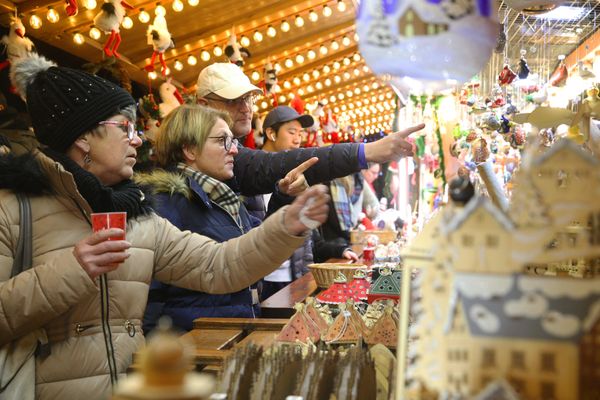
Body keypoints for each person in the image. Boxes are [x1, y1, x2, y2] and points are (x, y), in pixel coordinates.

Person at [0, 54, 330, 400]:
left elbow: (219, 265)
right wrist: (72, 270)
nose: (138, 139)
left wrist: (285, 225)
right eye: (124, 128)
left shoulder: (137, 215)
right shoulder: (14, 208)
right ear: (83, 137)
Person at [137, 105, 318, 331]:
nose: (234, 150)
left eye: (232, 141)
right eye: (222, 141)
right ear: (190, 150)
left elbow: (255, 249)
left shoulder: (224, 198)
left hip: (230, 337)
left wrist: (284, 197)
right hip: (196, 350)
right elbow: (149, 301)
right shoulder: (166, 203)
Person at [195, 63, 423, 219]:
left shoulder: (233, 152)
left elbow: (258, 234)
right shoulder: (215, 155)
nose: (246, 107)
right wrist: (367, 151)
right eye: (233, 100)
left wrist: (285, 196)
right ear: (203, 106)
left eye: (248, 98)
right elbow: (273, 165)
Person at [259, 106, 358, 299]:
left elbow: (313, 241)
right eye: (291, 132)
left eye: (300, 133)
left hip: (295, 278)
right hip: (264, 280)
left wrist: (340, 249)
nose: (298, 139)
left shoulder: (298, 179)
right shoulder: (251, 180)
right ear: (271, 133)